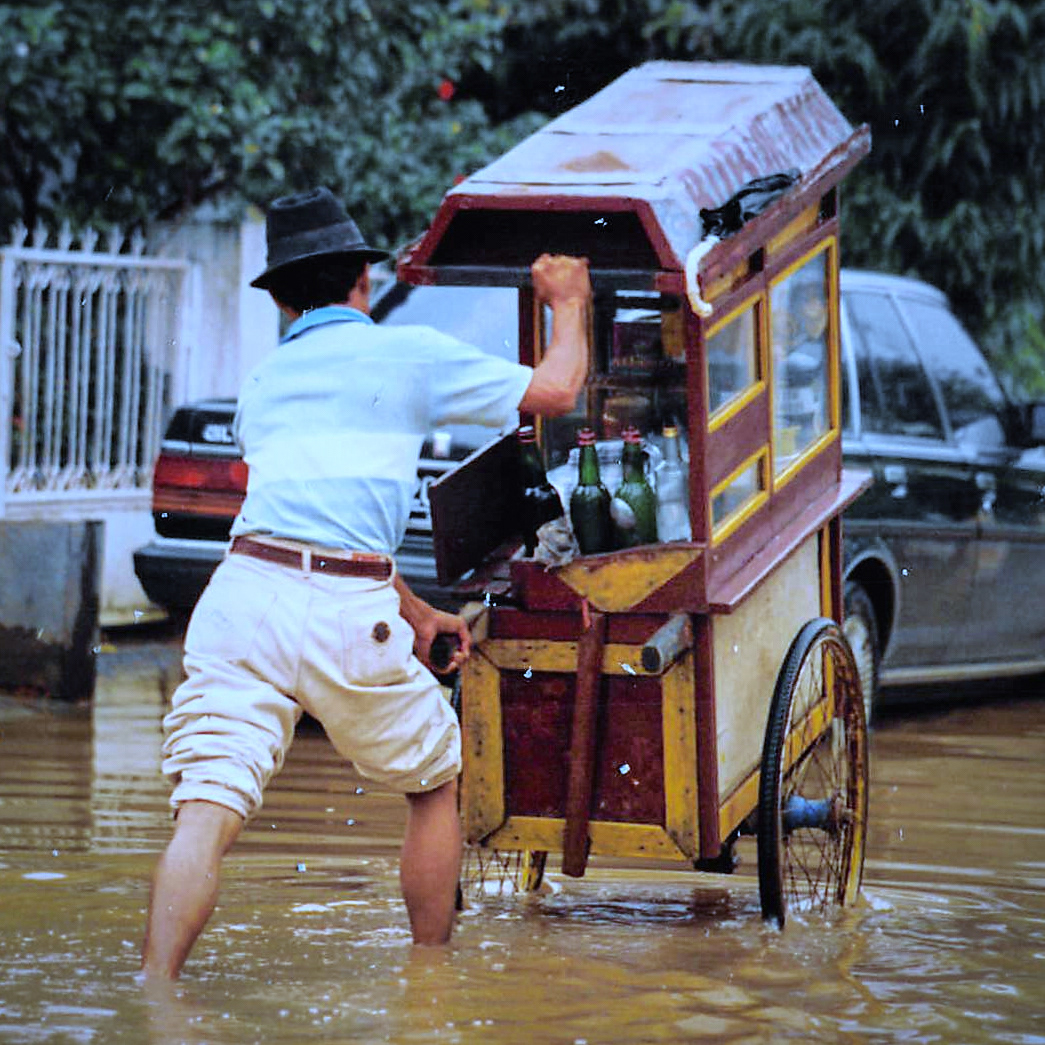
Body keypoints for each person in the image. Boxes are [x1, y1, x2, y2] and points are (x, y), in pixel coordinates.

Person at [140, 186, 591, 980]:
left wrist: (417, 616)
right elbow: (557, 391)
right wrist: (569, 304)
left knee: (207, 805)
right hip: (341, 607)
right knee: (434, 779)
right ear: (362, 281)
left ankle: (156, 994)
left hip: (239, 598)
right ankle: (429, 987)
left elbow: (311, 525)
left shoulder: (263, 382)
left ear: (281, 299)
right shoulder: (405, 351)